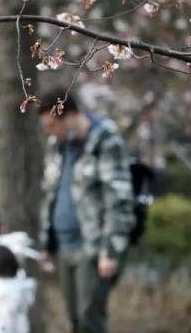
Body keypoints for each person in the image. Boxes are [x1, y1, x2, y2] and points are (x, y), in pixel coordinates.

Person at [38, 89, 135, 333]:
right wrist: (47, 244)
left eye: (52, 125)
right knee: (74, 319)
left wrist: (110, 250)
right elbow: (51, 194)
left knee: (89, 319)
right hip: (63, 245)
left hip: (91, 247)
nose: (49, 131)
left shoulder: (105, 141)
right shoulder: (57, 146)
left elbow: (119, 199)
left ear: (69, 116)